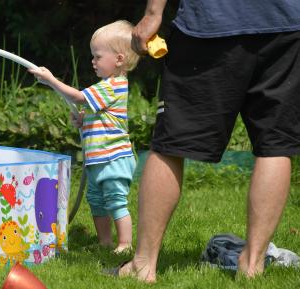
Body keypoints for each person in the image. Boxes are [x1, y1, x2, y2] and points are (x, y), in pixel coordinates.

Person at [117, 0, 300, 283]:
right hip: (286, 22)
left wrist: (153, 13)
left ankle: (143, 264)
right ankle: (252, 265)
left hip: (213, 23)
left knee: (169, 145)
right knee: (275, 145)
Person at [29, 20, 140, 253]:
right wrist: (84, 121)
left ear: (119, 59)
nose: (93, 61)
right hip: (99, 160)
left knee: (116, 200)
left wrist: (51, 81)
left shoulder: (113, 86)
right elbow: (100, 116)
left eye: (98, 56)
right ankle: (105, 241)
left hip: (114, 159)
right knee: (97, 202)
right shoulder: (106, 86)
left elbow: (79, 97)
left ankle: (125, 244)